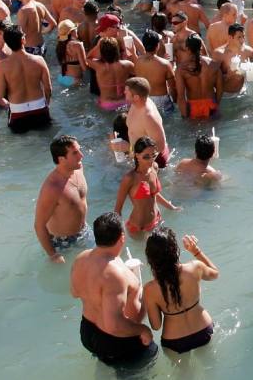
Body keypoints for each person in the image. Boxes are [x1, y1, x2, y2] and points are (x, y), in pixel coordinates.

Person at [70, 212, 157, 365]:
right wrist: (143, 330)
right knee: (145, 364)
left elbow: (75, 292)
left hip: (88, 332)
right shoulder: (115, 274)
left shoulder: (81, 258)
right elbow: (114, 325)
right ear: (122, 238)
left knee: (106, 360)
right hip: (116, 340)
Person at [143, 227, 219, 353]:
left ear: (151, 258)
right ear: (174, 249)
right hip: (203, 329)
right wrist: (196, 251)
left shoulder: (149, 289)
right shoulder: (195, 268)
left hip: (174, 340)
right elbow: (215, 274)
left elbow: (156, 326)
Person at [35, 135, 90, 263]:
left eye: (79, 150)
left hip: (85, 231)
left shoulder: (78, 169)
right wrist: (53, 255)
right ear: (61, 159)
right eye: (75, 153)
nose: (81, 156)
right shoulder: (52, 188)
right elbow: (39, 225)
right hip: (62, 243)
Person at [113, 136, 180, 236]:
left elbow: (154, 195)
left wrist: (171, 207)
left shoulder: (154, 167)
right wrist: (119, 233)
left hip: (157, 220)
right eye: (146, 156)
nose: (151, 160)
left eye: (154, 155)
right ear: (137, 155)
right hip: (138, 228)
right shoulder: (130, 178)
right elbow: (117, 210)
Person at [0, 24, 52, 133]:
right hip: (39, 108)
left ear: (7, 43)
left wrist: (10, 106)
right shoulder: (39, 60)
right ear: (23, 40)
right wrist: (46, 104)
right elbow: (48, 87)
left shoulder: (2, 66)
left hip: (18, 111)